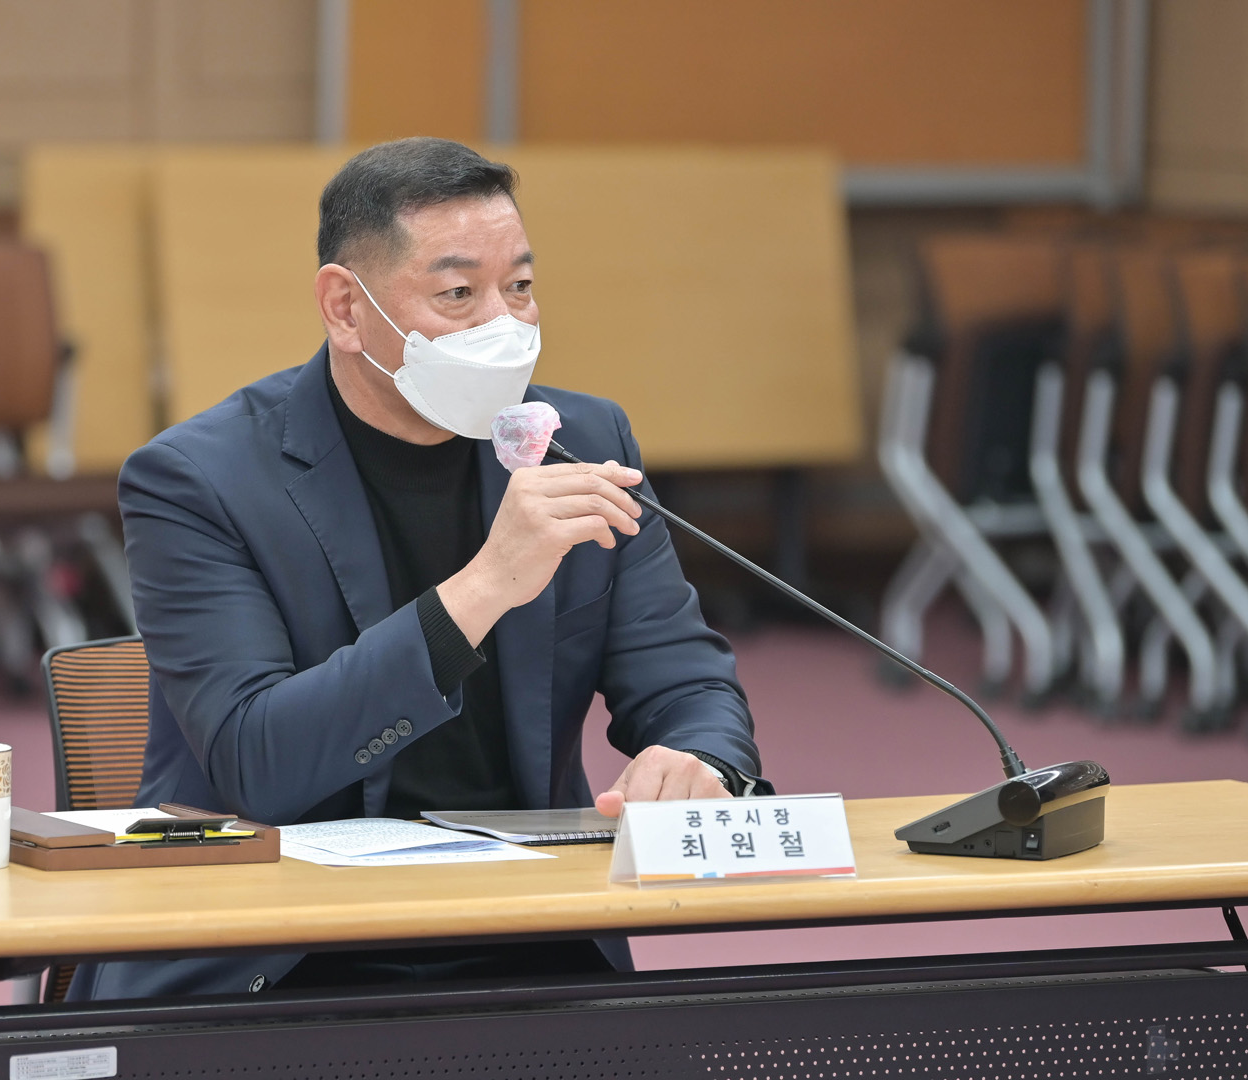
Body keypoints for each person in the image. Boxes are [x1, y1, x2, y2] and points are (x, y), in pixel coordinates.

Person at [70, 137, 768, 1001]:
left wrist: (700, 759)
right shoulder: (200, 479)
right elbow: (257, 762)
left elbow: (685, 680)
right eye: (457, 294)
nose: (503, 325)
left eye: (519, 287)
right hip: (280, 951)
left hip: (522, 937)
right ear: (345, 308)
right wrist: (485, 585)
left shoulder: (581, 441)